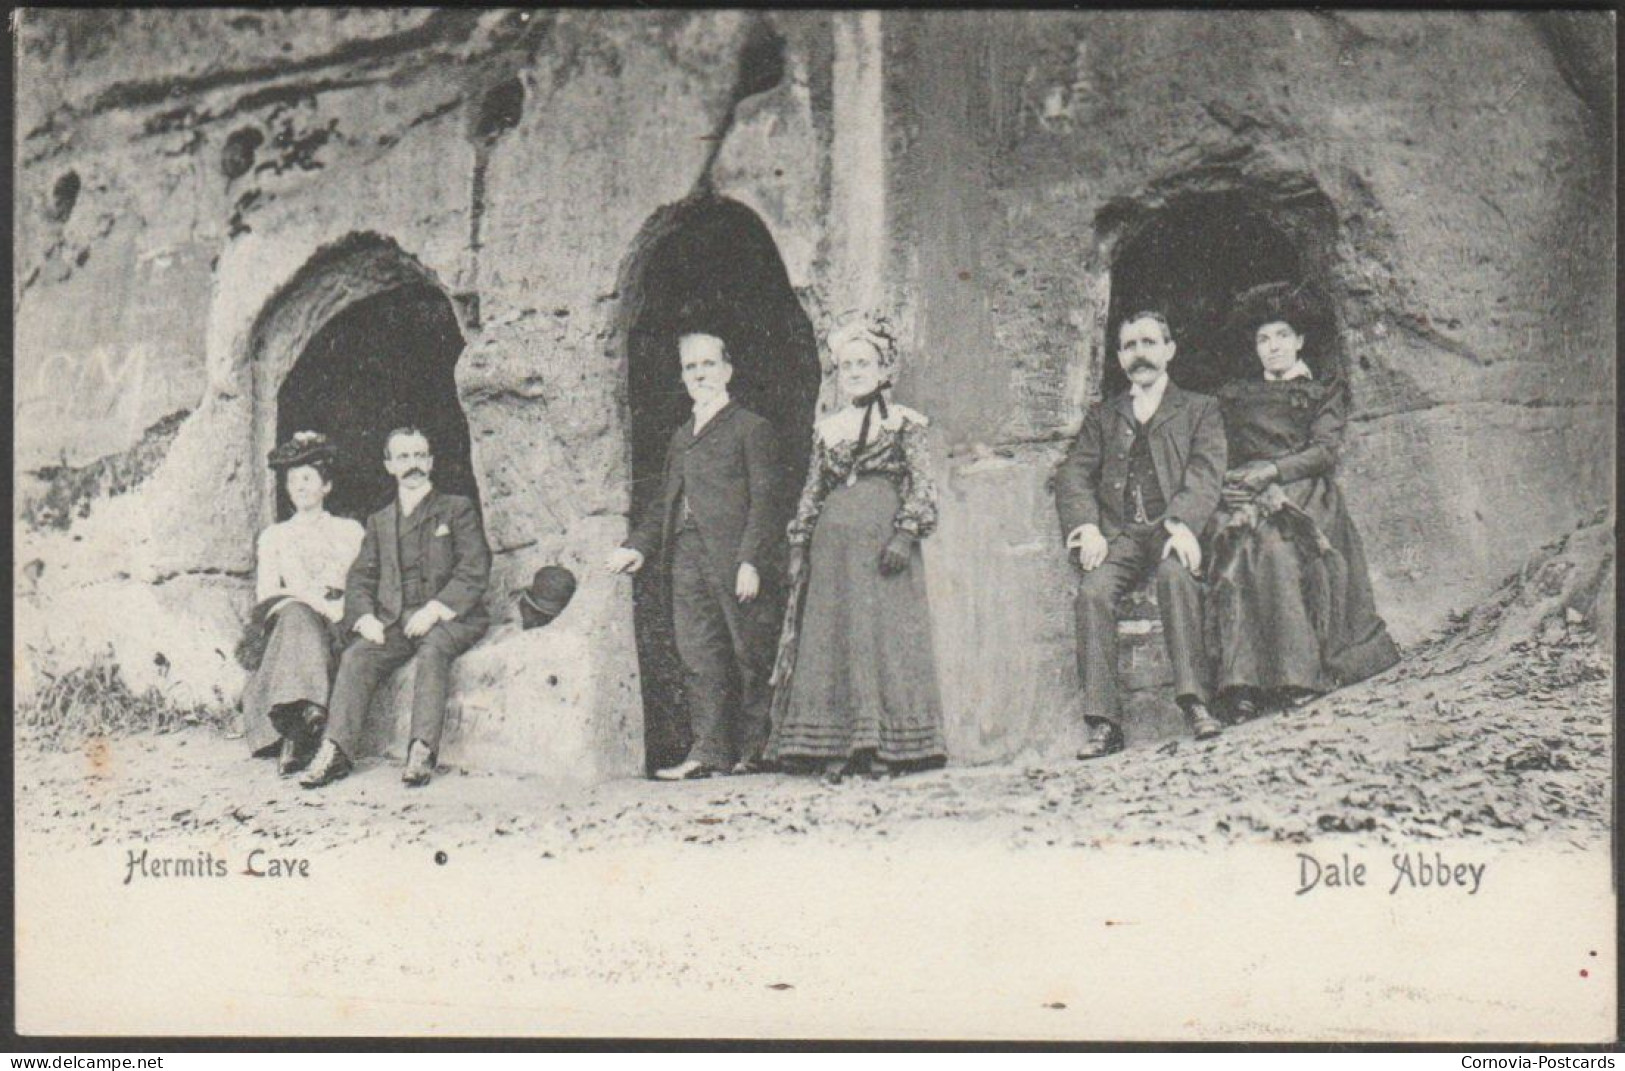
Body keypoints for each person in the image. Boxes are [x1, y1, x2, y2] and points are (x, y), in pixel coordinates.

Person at [1206, 282, 1401, 720]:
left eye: (1280, 337)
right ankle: (1242, 684)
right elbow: (1220, 448)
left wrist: (1274, 471)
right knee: (1235, 553)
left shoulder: (1321, 391)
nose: (1271, 347)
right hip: (1248, 493)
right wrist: (1232, 481)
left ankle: (1296, 676)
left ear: (1299, 342)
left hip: (1303, 492)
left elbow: (1324, 451)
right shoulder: (1238, 396)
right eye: (1263, 339)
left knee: (1276, 550)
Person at [764, 316, 947, 782]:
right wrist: (800, 543)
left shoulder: (905, 424)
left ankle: (884, 747)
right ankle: (836, 747)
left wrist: (905, 534)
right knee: (834, 636)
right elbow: (813, 488)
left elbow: (923, 485)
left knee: (879, 638)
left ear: (884, 368)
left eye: (864, 363)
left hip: (882, 543)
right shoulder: (829, 428)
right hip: (833, 549)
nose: (855, 372)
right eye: (846, 366)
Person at [605, 332, 782, 781]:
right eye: (690, 367)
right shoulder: (683, 436)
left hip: (733, 557)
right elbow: (664, 501)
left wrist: (751, 561)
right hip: (685, 556)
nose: (699, 374)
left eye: (707, 364)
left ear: (727, 370)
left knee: (749, 651)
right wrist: (637, 548)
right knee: (698, 655)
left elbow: (766, 503)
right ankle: (709, 753)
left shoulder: (750, 428)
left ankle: (757, 749)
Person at [1054, 310, 1228, 759]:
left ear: (1169, 350)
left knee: (1175, 577)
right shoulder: (1104, 416)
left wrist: (1185, 524)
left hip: (1172, 526)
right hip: (1123, 534)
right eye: (1130, 346)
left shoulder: (1199, 408)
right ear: (1118, 357)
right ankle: (1103, 723)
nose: (1140, 354)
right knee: (1093, 592)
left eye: (1150, 343)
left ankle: (1196, 703)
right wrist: (1087, 527)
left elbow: (1206, 472)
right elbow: (1075, 472)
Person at [300, 427, 491, 789]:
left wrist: (435, 609)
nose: (413, 464)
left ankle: (421, 750)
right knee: (357, 656)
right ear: (389, 466)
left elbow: (473, 570)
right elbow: (360, 579)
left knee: (433, 650)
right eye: (403, 457)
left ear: (431, 462)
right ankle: (336, 750)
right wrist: (366, 617)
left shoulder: (456, 509)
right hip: (396, 620)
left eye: (420, 455)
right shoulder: (380, 521)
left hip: (450, 617)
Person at [240, 431, 364, 775]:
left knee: (303, 619)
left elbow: (361, 586)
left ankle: (298, 733)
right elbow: (267, 596)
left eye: (308, 478)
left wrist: (331, 608)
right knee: (295, 615)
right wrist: (309, 602)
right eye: (292, 480)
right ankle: (303, 720)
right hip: (294, 620)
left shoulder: (350, 531)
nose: (299, 486)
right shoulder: (274, 537)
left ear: (327, 486)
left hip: (339, 622)